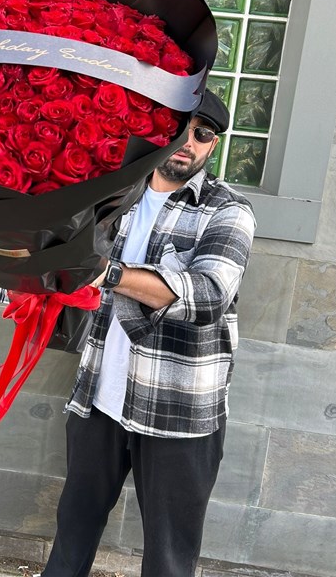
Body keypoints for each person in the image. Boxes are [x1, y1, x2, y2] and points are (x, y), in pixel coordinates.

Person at [42, 89, 256, 577]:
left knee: (169, 559)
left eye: (203, 133)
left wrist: (107, 273)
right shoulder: (114, 194)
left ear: (213, 145)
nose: (188, 141)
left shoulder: (228, 210)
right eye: (180, 128)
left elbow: (208, 295)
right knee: (71, 535)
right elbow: (55, 259)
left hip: (178, 410)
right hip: (99, 397)